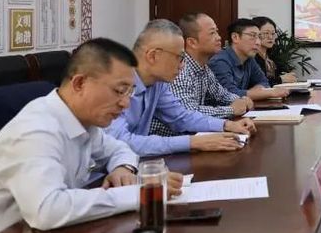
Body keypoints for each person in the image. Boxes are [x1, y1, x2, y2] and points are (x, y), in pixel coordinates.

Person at [0, 38, 184, 233]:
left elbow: (120, 148)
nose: (125, 103)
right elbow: (47, 210)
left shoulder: (83, 121)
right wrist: (139, 194)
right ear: (79, 83)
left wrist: (124, 167)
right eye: (119, 91)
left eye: (129, 92)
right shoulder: (36, 130)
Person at [107, 20, 254, 156]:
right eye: (180, 57)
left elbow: (180, 117)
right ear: (153, 56)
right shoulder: (116, 85)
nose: (183, 65)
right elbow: (120, 142)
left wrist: (226, 125)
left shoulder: (158, 83)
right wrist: (192, 142)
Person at [150, 12, 254, 136]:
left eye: (217, 32)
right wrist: (231, 110)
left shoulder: (204, 68)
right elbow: (188, 112)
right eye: (212, 33)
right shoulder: (179, 70)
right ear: (192, 42)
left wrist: (240, 100)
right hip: (167, 139)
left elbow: (221, 95)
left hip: (188, 136)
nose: (218, 37)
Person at [210, 18, 291, 101]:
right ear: (235, 37)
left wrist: (257, 92)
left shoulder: (249, 59)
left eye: (259, 37)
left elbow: (264, 82)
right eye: (253, 36)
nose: (258, 42)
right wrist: (269, 93)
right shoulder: (220, 62)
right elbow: (228, 94)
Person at [253, 16, 298, 86]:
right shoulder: (251, 58)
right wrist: (281, 79)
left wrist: (288, 76)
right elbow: (257, 84)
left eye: (273, 34)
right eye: (266, 33)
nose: (270, 37)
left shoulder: (272, 58)